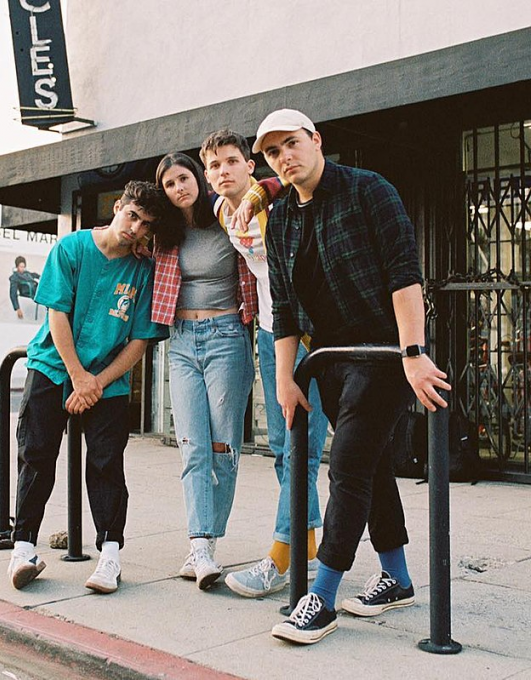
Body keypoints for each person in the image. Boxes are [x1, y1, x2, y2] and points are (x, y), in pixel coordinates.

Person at [250, 109, 450, 645]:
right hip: (331, 360)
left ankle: (322, 596)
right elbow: (285, 308)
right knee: (372, 466)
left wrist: (412, 352)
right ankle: (398, 577)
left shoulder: (368, 190)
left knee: (347, 467)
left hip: (384, 354)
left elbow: (404, 273)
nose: (285, 157)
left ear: (316, 140)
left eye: (292, 144)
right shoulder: (283, 219)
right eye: (272, 153)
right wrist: (285, 378)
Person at [7, 181, 168, 594]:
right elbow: (57, 313)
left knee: (106, 463)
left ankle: (110, 556)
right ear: (117, 207)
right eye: (132, 215)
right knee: (36, 453)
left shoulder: (143, 269)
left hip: (107, 382)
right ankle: (22, 547)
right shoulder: (73, 248)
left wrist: (96, 381)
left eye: (146, 224)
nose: (135, 228)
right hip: (53, 367)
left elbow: (140, 340)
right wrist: (79, 376)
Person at [199, 129, 328, 598]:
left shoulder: (275, 200)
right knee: (282, 445)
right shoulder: (219, 209)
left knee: (301, 448)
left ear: (250, 166)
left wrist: (260, 191)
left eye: (233, 161)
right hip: (274, 332)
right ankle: (307, 546)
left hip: (313, 331)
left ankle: (283, 553)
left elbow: (283, 184)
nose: (223, 171)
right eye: (214, 166)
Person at [151, 152, 256, 590]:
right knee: (191, 445)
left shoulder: (228, 217)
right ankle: (200, 547)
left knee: (222, 447)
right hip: (182, 342)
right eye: (170, 184)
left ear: (200, 177)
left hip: (227, 337)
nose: (179, 188)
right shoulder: (166, 233)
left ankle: (209, 538)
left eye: (184, 178)